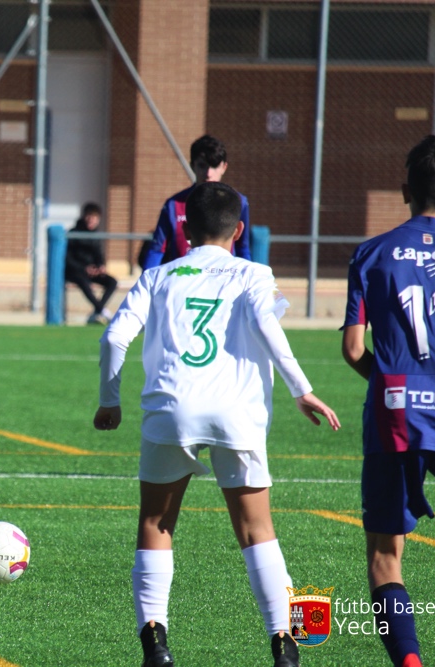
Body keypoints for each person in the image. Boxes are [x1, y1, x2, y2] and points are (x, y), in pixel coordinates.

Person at [94, 181, 341, 667]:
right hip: (236, 413)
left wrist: (110, 401)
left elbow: (113, 338)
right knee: (256, 530)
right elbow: (270, 328)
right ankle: (285, 643)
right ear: (239, 229)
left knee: (156, 522)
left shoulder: (157, 276)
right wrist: (301, 389)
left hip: (172, 408)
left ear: (184, 227)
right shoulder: (253, 273)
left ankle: (155, 640)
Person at [341, 135, 435, 667]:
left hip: (394, 412)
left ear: (404, 191)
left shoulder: (371, 254)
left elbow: (354, 349)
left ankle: (410, 662)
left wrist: (393, 384)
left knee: (384, 555)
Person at [139, 135, 251, 270]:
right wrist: (147, 282)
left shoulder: (238, 202)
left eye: (214, 166)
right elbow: (157, 249)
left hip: (222, 281)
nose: (208, 173)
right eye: (202, 166)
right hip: (183, 278)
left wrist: (249, 278)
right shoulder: (174, 204)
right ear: (192, 166)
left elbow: (243, 248)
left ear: (224, 167)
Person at [65, 202, 119, 325]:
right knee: (83, 282)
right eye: (89, 216)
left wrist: (100, 266)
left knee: (112, 282)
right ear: (84, 216)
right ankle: (101, 310)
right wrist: (84, 268)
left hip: (91, 271)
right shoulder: (74, 233)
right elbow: (68, 258)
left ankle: (96, 311)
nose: (91, 220)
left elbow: (99, 254)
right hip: (75, 272)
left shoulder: (96, 235)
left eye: (94, 217)